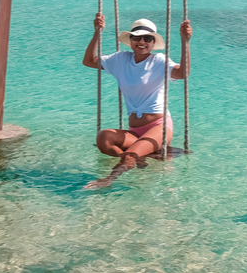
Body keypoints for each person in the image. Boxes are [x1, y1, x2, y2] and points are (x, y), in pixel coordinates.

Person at [82, 14, 192, 188]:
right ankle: (140, 156)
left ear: (153, 43)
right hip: (135, 130)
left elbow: (182, 73)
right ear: (130, 40)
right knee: (104, 138)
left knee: (129, 155)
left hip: (159, 127)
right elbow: (88, 61)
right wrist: (97, 33)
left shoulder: (159, 61)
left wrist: (185, 42)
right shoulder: (120, 59)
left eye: (147, 38)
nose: (142, 42)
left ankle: (109, 180)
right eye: (137, 37)